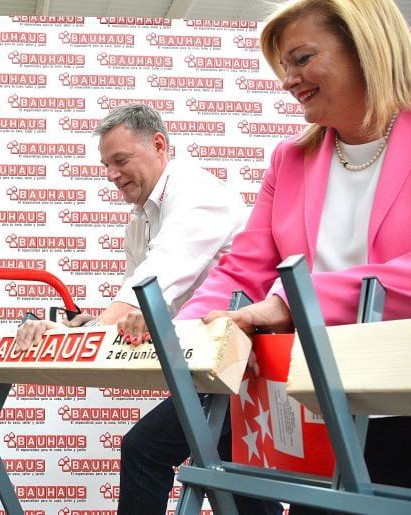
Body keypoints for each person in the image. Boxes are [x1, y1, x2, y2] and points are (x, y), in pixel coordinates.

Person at [121, 0, 411, 513]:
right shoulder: (290, 159)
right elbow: (246, 266)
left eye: (301, 58)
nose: (288, 79)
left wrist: (292, 303)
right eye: (283, 66)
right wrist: (189, 336)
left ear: (365, 48)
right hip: (316, 397)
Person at [13, 104, 279, 513]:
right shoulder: (140, 219)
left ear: (158, 145)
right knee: (232, 479)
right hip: (215, 367)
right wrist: (91, 324)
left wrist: (83, 333)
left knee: (146, 451)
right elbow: (142, 308)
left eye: (120, 160)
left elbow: (151, 287)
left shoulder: (196, 193)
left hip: (242, 366)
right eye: (106, 164)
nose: (112, 175)